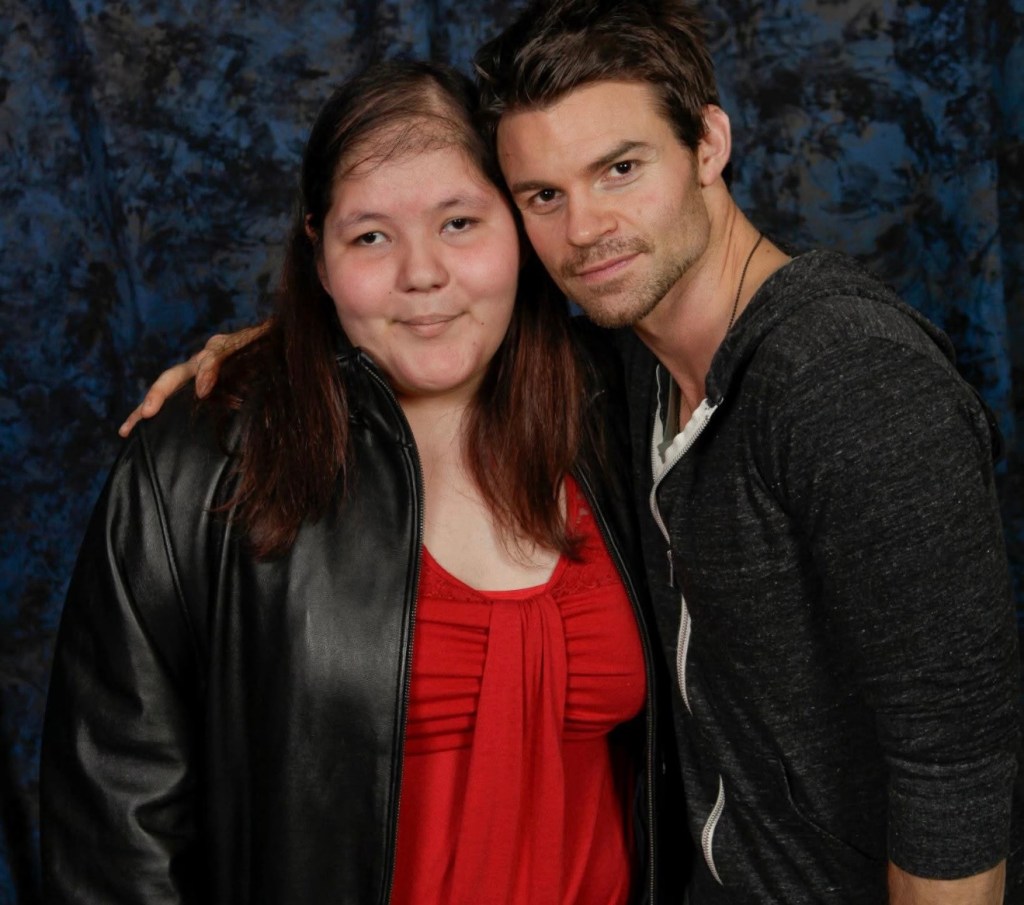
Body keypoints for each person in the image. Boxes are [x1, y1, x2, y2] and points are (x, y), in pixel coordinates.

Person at [123, 1, 1024, 902]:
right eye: (544, 196)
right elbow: (430, 296)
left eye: (622, 168)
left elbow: (954, 776)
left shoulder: (853, 383)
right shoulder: (621, 370)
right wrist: (287, 339)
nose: (586, 228)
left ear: (709, 144)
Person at [41, 59, 688, 905]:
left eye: (460, 222)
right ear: (319, 253)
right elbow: (112, 833)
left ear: (522, 231)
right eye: (370, 236)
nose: (422, 273)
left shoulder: (622, 412)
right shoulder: (199, 466)